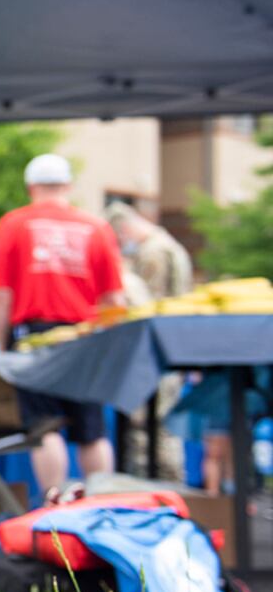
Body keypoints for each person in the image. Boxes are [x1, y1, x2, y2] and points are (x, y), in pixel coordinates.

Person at [0, 153, 125, 493]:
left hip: (37, 339)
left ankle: (54, 505)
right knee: (92, 431)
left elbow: (0, 296)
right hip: (86, 337)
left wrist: (3, 346)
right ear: (68, 186)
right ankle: (99, 504)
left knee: (45, 429)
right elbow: (115, 300)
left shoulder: (13, 224)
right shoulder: (96, 227)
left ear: (31, 186)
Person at [106, 201, 192, 481]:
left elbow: (147, 306)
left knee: (150, 429)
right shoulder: (170, 246)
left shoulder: (154, 252)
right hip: (173, 345)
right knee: (162, 426)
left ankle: (163, 489)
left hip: (156, 350)